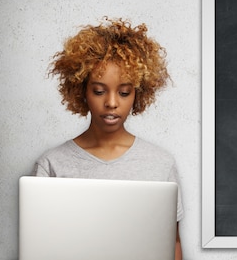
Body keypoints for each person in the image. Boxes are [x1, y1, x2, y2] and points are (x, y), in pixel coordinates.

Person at [32, 17, 183, 260]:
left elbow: (172, 243)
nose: (112, 103)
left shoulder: (160, 163)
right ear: (81, 91)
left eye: (124, 92)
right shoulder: (52, 165)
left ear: (139, 93)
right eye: (99, 91)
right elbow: (38, 246)